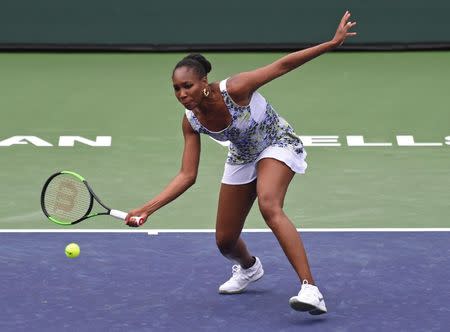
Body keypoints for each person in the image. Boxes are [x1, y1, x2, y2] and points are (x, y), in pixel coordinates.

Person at [126, 11, 357, 314]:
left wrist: (330, 43)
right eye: (177, 89)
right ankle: (249, 268)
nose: (182, 94)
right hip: (242, 155)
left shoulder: (235, 89)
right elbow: (187, 175)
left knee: (269, 204)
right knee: (225, 240)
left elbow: (282, 65)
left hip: (276, 142)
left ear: (203, 82)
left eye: (188, 86)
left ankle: (310, 288)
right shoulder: (191, 121)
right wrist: (148, 208)